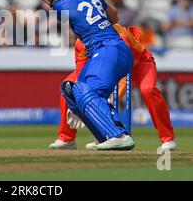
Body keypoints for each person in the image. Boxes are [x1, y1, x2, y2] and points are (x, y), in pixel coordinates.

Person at [38, 0, 135, 150]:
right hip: (111, 51)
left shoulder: (60, 4)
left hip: (107, 49)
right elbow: (114, 17)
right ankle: (104, 136)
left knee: (87, 92)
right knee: (70, 91)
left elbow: (70, 5)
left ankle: (119, 135)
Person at [49, 23, 176, 152]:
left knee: (148, 90)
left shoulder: (117, 34)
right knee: (69, 87)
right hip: (103, 66)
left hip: (139, 62)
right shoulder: (80, 44)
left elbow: (121, 74)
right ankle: (67, 139)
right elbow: (81, 74)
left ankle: (167, 138)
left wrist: (102, 100)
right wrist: (76, 103)